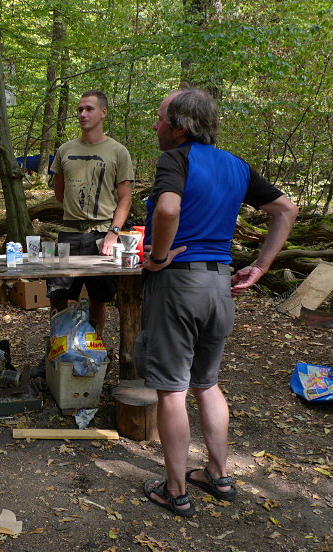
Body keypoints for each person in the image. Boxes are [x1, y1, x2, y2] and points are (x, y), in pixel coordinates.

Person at [138, 88, 298, 517]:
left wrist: (157, 257)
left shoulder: (176, 159)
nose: (154, 126)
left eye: (159, 118)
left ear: (179, 126)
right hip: (219, 286)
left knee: (171, 391)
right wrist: (260, 266)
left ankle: (175, 489)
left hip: (177, 285)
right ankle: (218, 474)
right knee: (205, 383)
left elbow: (168, 210)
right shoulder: (237, 166)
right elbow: (285, 209)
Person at [47, 90, 134, 335]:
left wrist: (113, 233)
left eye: (89, 109)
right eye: (79, 109)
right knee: (58, 293)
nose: (82, 114)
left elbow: (125, 196)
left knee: (99, 297)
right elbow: (59, 192)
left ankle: (95, 349)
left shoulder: (118, 151)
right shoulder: (65, 149)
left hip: (102, 235)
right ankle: (58, 347)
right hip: (69, 233)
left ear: (103, 113)